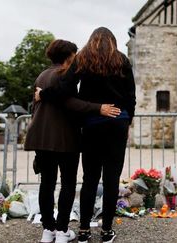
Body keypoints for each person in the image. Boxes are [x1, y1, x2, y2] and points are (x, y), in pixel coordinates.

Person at [36, 27, 136, 243]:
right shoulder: (122, 60)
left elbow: (64, 89)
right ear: (113, 41)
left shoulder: (83, 58)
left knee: (89, 179)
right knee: (112, 180)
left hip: (92, 124)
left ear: (92, 40)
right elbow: (131, 96)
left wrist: (43, 94)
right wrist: (128, 121)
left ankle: (83, 230)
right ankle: (107, 230)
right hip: (118, 123)